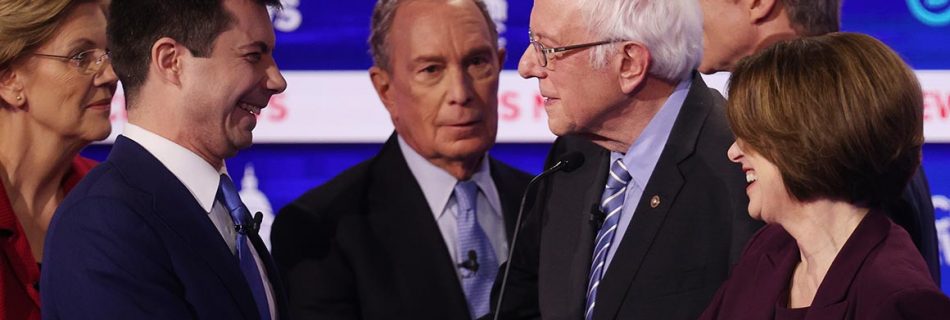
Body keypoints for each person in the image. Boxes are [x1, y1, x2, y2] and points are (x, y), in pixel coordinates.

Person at [493, 0, 762, 319]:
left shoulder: (741, 167)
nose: (526, 66)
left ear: (630, 63)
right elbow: (521, 304)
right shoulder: (571, 155)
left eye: (548, 49)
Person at [270, 0, 531, 319]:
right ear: (385, 89)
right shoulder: (322, 230)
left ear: (500, 63)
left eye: (477, 62)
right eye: (431, 69)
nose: (460, 93)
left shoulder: (546, 204)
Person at [40, 0, 288, 319]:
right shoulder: (103, 221)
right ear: (171, 61)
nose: (277, 80)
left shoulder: (223, 209)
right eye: (253, 55)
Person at [699, 32, 950, 320]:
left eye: (754, 135)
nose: (733, 153)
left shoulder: (899, 300)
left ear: (810, 140)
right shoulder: (769, 249)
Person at [0, 1, 115, 318]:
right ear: (9, 80)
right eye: (82, 57)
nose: (110, 75)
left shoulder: (114, 204)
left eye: (108, 54)